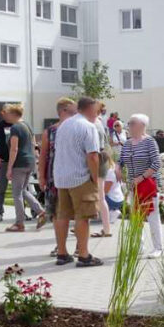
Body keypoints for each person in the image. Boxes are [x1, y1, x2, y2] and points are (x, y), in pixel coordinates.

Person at [52, 96, 103, 267]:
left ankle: (61, 252)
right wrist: (95, 178)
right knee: (83, 216)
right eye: (96, 110)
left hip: (61, 177)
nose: (97, 114)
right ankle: (83, 255)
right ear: (89, 109)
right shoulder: (88, 127)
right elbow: (93, 156)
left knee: (62, 215)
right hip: (80, 177)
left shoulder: (64, 124)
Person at [118, 113, 163, 257]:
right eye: (129, 123)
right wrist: (118, 168)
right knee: (136, 216)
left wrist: (141, 177)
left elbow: (156, 163)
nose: (129, 126)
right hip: (133, 186)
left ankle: (158, 248)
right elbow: (121, 160)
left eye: (132, 123)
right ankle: (138, 245)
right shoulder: (127, 143)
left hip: (148, 184)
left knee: (152, 216)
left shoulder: (149, 141)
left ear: (142, 126)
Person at [40, 98, 77, 254]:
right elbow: (43, 155)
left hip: (76, 177)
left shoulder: (78, 128)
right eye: (73, 111)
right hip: (54, 179)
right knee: (57, 213)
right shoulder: (50, 131)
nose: (76, 114)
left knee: (78, 213)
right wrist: (41, 177)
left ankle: (79, 246)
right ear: (63, 111)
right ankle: (60, 246)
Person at [4, 104, 44, 232]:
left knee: (16, 194)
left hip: (19, 163)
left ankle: (19, 223)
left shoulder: (15, 128)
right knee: (23, 190)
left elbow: (14, 149)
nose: (6, 116)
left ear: (14, 114)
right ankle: (41, 211)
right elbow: (33, 144)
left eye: (7, 113)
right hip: (30, 162)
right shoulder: (27, 125)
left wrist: (9, 167)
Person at [92, 107, 113, 239]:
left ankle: (106, 228)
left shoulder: (94, 124)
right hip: (103, 159)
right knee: (100, 197)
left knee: (98, 196)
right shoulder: (100, 123)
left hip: (98, 161)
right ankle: (106, 228)